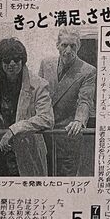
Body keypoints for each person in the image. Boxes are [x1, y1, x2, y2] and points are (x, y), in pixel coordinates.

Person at [0, 37, 54, 177]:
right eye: (6, 60)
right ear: (0, 62)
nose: (12, 64)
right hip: (0, 151)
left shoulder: (39, 84)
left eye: (16, 60)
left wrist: (15, 129)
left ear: (23, 60)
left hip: (27, 149)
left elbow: (47, 118)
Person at [39, 32, 96, 177]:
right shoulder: (46, 64)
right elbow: (38, 95)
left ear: (79, 47)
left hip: (67, 135)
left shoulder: (88, 71)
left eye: (73, 46)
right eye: (64, 45)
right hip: (44, 134)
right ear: (57, 45)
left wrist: (79, 121)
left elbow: (85, 100)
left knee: (65, 180)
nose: (68, 51)